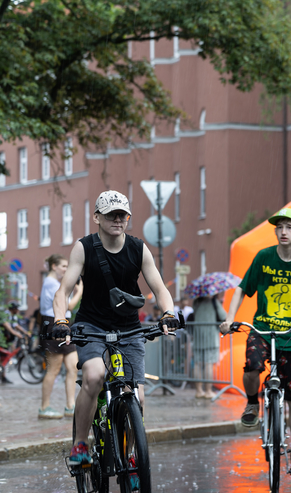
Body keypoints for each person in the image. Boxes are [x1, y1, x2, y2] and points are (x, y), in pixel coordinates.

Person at [50, 190, 179, 468]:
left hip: (129, 329)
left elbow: (159, 287)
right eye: (111, 214)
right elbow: (63, 291)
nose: (117, 219)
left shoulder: (138, 248)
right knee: (94, 376)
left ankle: (132, 455)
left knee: (137, 395)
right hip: (91, 326)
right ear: (97, 217)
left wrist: (168, 313)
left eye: (122, 214)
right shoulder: (84, 247)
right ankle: (80, 445)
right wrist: (61, 321)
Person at [219, 207, 291, 479]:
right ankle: (251, 403)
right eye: (279, 227)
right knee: (251, 366)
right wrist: (229, 318)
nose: (283, 232)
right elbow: (243, 290)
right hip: (264, 328)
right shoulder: (263, 258)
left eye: (289, 227)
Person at [39, 254, 84, 419]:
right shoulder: (51, 283)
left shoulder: (55, 283)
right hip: (54, 325)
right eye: (64, 266)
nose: (66, 269)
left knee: (73, 367)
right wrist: (80, 291)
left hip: (63, 325)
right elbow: (70, 305)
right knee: (54, 369)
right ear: (54, 266)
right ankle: (44, 407)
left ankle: (70, 405)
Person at [191, 292, 226, 399]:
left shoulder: (196, 302)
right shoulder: (213, 301)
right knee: (208, 364)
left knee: (197, 364)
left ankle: (199, 391)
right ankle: (208, 391)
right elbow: (223, 316)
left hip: (198, 337)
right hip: (211, 338)